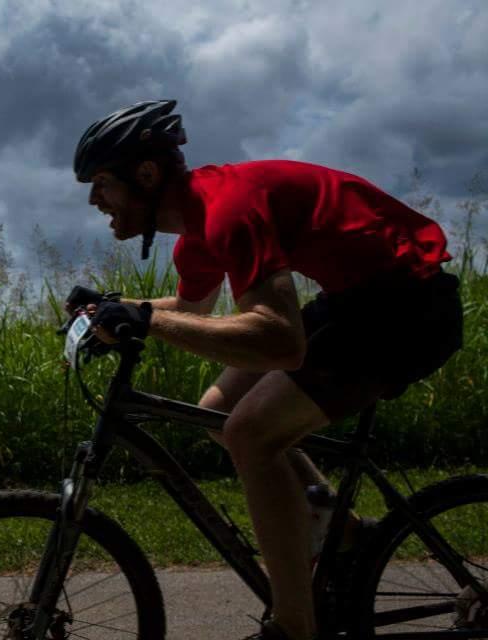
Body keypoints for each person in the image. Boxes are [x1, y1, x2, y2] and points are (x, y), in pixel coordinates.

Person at [67, 100, 464, 640]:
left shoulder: (228, 209)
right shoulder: (196, 228)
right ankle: (349, 538)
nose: (94, 199)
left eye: (101, 183)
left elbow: (279, 341)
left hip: (408, 307)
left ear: (146, 174)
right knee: (217, 413)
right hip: (358, 300)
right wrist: (115, 305)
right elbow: (191, 309)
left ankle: (295, 626)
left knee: (250, 434)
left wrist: (142, 320)